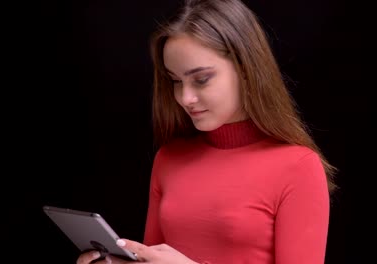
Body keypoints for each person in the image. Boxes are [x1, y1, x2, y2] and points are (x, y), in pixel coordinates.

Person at [77, 0, 337, 263]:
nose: (185, 97)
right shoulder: (169, 158)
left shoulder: (298, 167)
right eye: (176, 81)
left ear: (246, 70)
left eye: (201, 79)